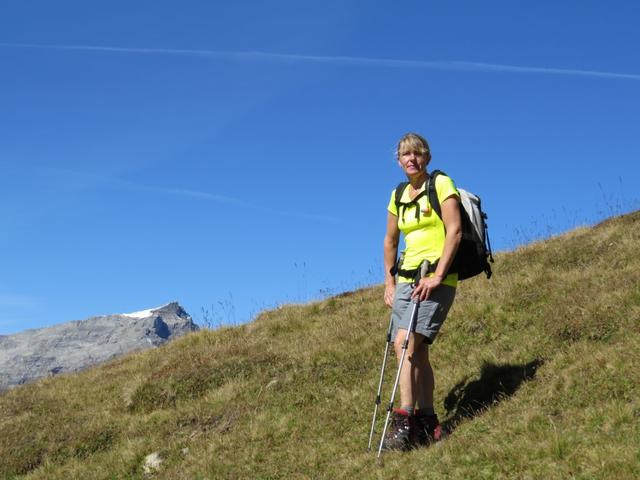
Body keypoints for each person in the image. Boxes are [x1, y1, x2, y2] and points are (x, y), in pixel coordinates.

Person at [381, 132, 462, 451]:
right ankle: (429, 423)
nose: (411, 158)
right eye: (405, 154)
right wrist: (389, 283)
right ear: (399, 160)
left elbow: (454, 231)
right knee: (416, 351)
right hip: (405, 280)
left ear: (426, 157)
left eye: (416, 153)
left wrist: (439, 275)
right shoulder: (397, 194)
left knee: (405, 344)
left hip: (437, 278)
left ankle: (405, 421)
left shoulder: (441, 184)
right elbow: (390, 241)